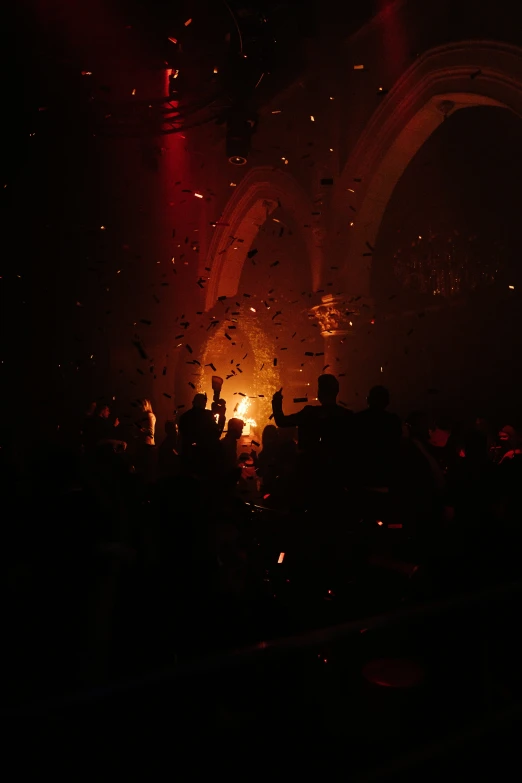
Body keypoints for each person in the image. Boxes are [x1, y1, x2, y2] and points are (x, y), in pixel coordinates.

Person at [272, 374, 353, 498]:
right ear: (336, 392)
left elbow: (281, 421)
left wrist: (276, 402)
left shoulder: (309, 413)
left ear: (320, 392)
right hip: (336, 474)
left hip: (309, 472)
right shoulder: (346, 416)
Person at [353, 386, 402, 489]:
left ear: (368, 399)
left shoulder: (357, 419)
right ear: (387, 401)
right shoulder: (392, 421)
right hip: (386, 475)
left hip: (362, 475)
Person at [178, 393, 226, 476]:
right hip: (205, 457)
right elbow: (216, 434)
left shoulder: (184, 417)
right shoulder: (206, 415)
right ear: (203, 403)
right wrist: (222, 416)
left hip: (188, 457)